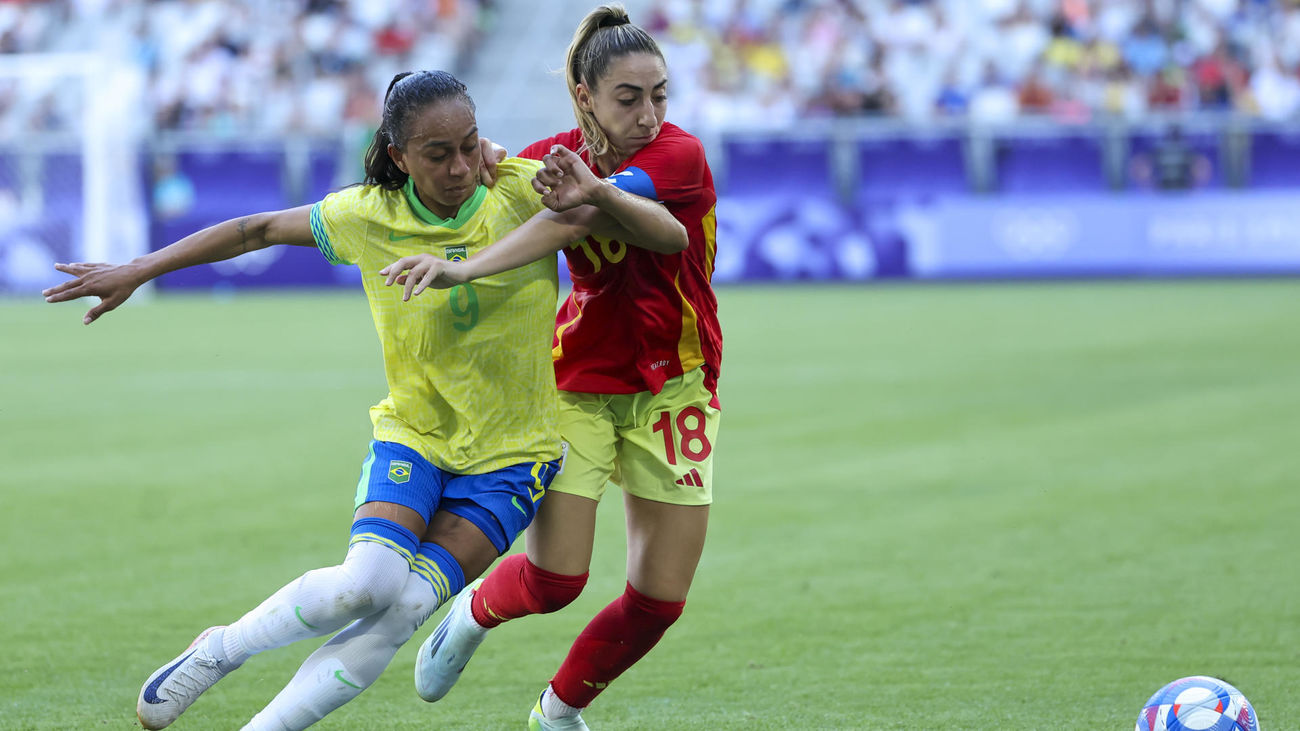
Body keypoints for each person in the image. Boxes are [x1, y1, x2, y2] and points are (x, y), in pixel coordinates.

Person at [40, 70, 619, 731]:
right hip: (418, 434)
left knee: (401, 610)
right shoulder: (368, 215)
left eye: (469, 144)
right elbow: (255, 230)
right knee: (365, 584)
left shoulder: (516, 190)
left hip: (514, 456)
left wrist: (542, 167)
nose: (459, 166)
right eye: (437, 154)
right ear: (399, 156)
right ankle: (221, 648)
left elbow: (605, 210)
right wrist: (138, 269)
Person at [391, 6, 723, 729]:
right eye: (629, 98)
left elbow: (649, 230)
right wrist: (487, 180)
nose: (648, 113)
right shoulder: (550, 161)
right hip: (576, 382)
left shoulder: (680, 155)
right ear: (586, 97)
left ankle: (558, 709)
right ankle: (472, 614)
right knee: (555, 578)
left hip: (678, 388)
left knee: (660, 598)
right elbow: (511, 196)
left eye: (660, 95)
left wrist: (590, 189)